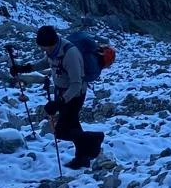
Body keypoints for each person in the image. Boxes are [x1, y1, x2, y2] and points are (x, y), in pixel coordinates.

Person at [12, 25, 105, 169]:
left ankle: (94, 139)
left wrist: (59, 102)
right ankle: (82, 158)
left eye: (45, 47)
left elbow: (76, 83)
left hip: (74, 95)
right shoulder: (54, 50)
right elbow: (46, 61)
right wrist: (26, 68)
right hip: (62, 93)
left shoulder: (70, 54)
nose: (44, 50)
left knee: (61, 131)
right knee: (73, 126)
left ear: (53, 43)